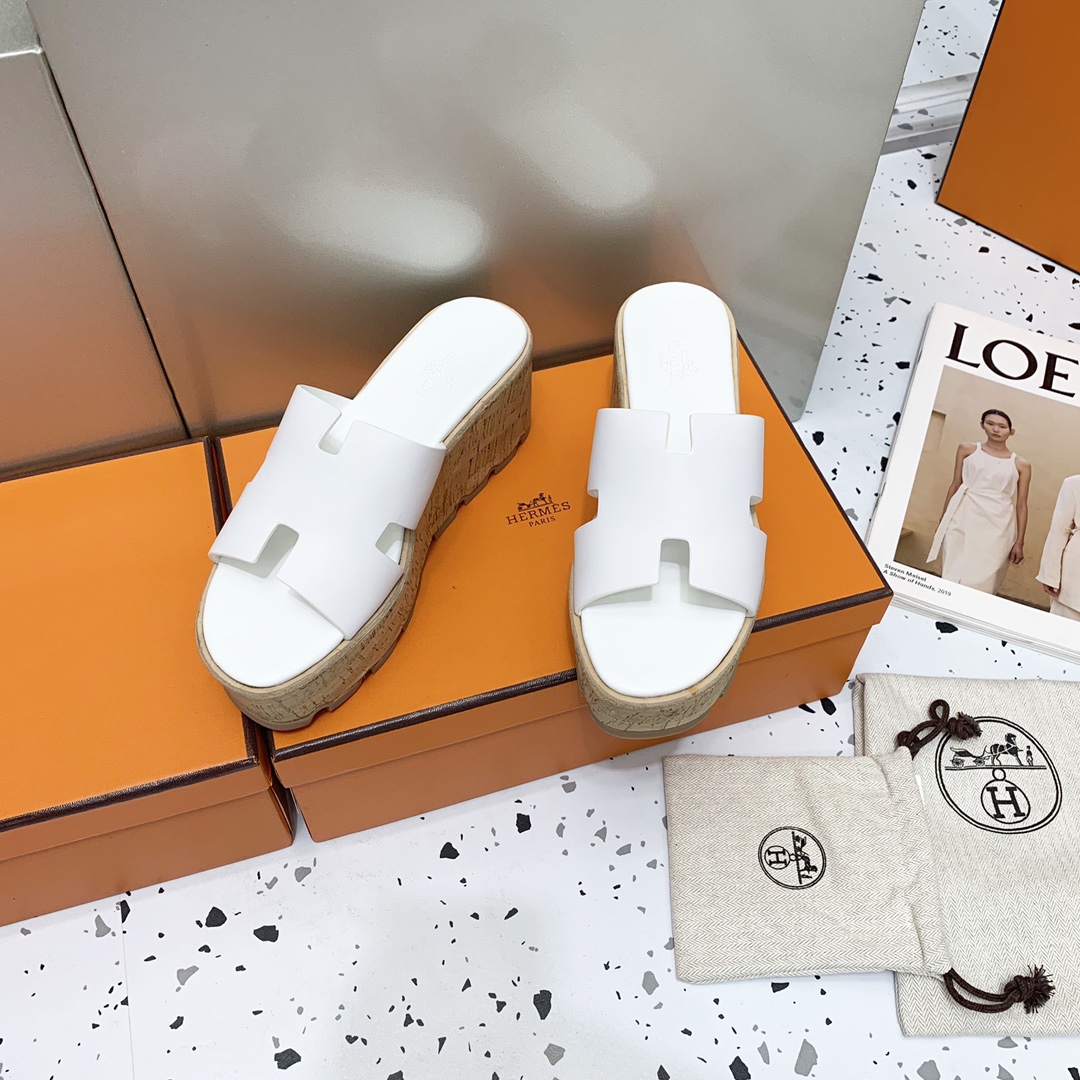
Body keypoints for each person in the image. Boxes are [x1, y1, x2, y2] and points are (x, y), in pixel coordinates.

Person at [927, 409, 1031, 594]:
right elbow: (955, 485)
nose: (995, 429)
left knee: (984, 578)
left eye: (1002, 426)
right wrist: (943, 521)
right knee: (953, 570)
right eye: (990, 424)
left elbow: (1022, 505)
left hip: (998, 525)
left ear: (1011, 431)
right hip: (963, 515)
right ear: (982, 425)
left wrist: (1019, 541)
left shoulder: (1021, 464)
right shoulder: (967, 449)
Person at [1036, 474, 1080, 621]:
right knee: (1062, 627)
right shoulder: (1074, 483)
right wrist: (1050, 575)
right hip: (1074, 577)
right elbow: (1059, 530)